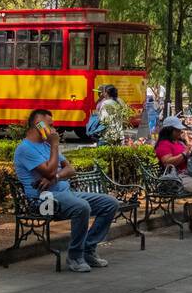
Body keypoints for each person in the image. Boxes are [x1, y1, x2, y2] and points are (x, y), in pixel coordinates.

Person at [13, 108, 120, 272]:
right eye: (50, 125)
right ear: (38, 125)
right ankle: (75, 257)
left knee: (110, 203)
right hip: (43, 200)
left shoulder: (46, 145)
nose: (54, 130)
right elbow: (49, 170)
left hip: (64, 194)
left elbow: (70, 169)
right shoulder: (25, 149)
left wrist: (54, 178)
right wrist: (55, 145)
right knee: (81, 206)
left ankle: (88, 250)